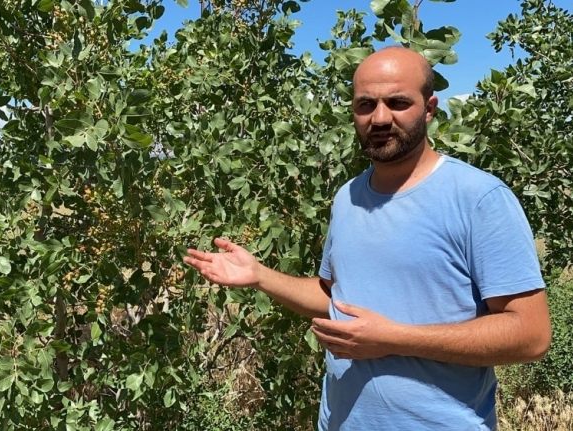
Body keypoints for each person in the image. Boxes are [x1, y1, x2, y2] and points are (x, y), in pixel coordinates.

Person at [183, 46, 551, 430]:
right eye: (365, 104)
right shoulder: (348, 197)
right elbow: (335, 298)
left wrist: (394, 339)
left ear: (429, 108)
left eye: (397, 102)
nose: (379, 117)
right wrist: (259, 275)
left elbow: (530, 334)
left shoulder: (478, 198)